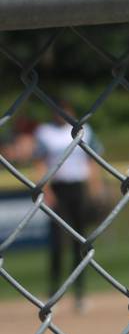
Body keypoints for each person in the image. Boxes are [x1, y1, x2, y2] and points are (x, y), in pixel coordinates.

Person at [34, 101, 102, 310]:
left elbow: (92, 160)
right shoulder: (45, 133)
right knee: (56, 243)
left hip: (78, 189)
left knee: (80, 243)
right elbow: (40, 162)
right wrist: (46, 190)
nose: (61, 116)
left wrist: (95, 187)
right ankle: (53, 293)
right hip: (58, 190)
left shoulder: (84, 130)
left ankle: (80, 293)